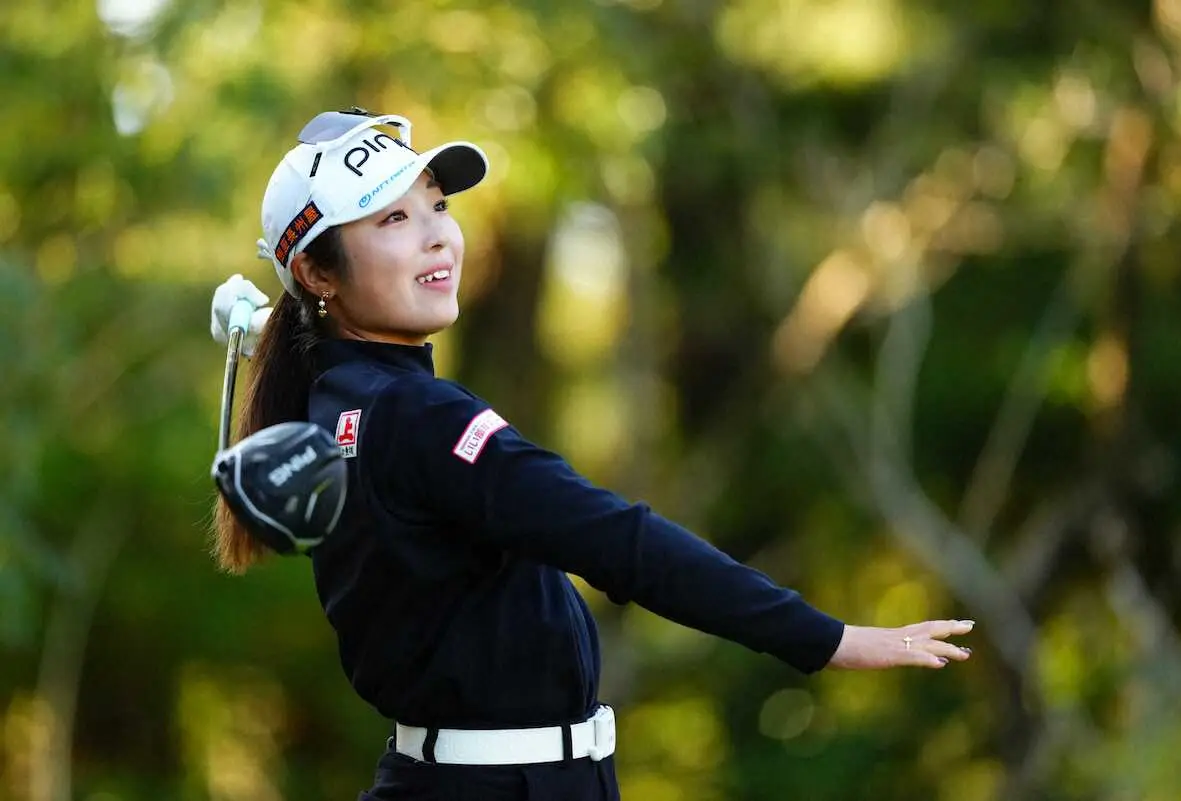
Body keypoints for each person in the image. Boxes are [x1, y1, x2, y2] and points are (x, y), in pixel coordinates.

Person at [209, 107, 974, 801]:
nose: (438, 235)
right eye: (393, 219)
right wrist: (825, 637)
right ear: (317, 272)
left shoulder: (340, 402)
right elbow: (614, 538)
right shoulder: (416, 413)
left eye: (437, 206)